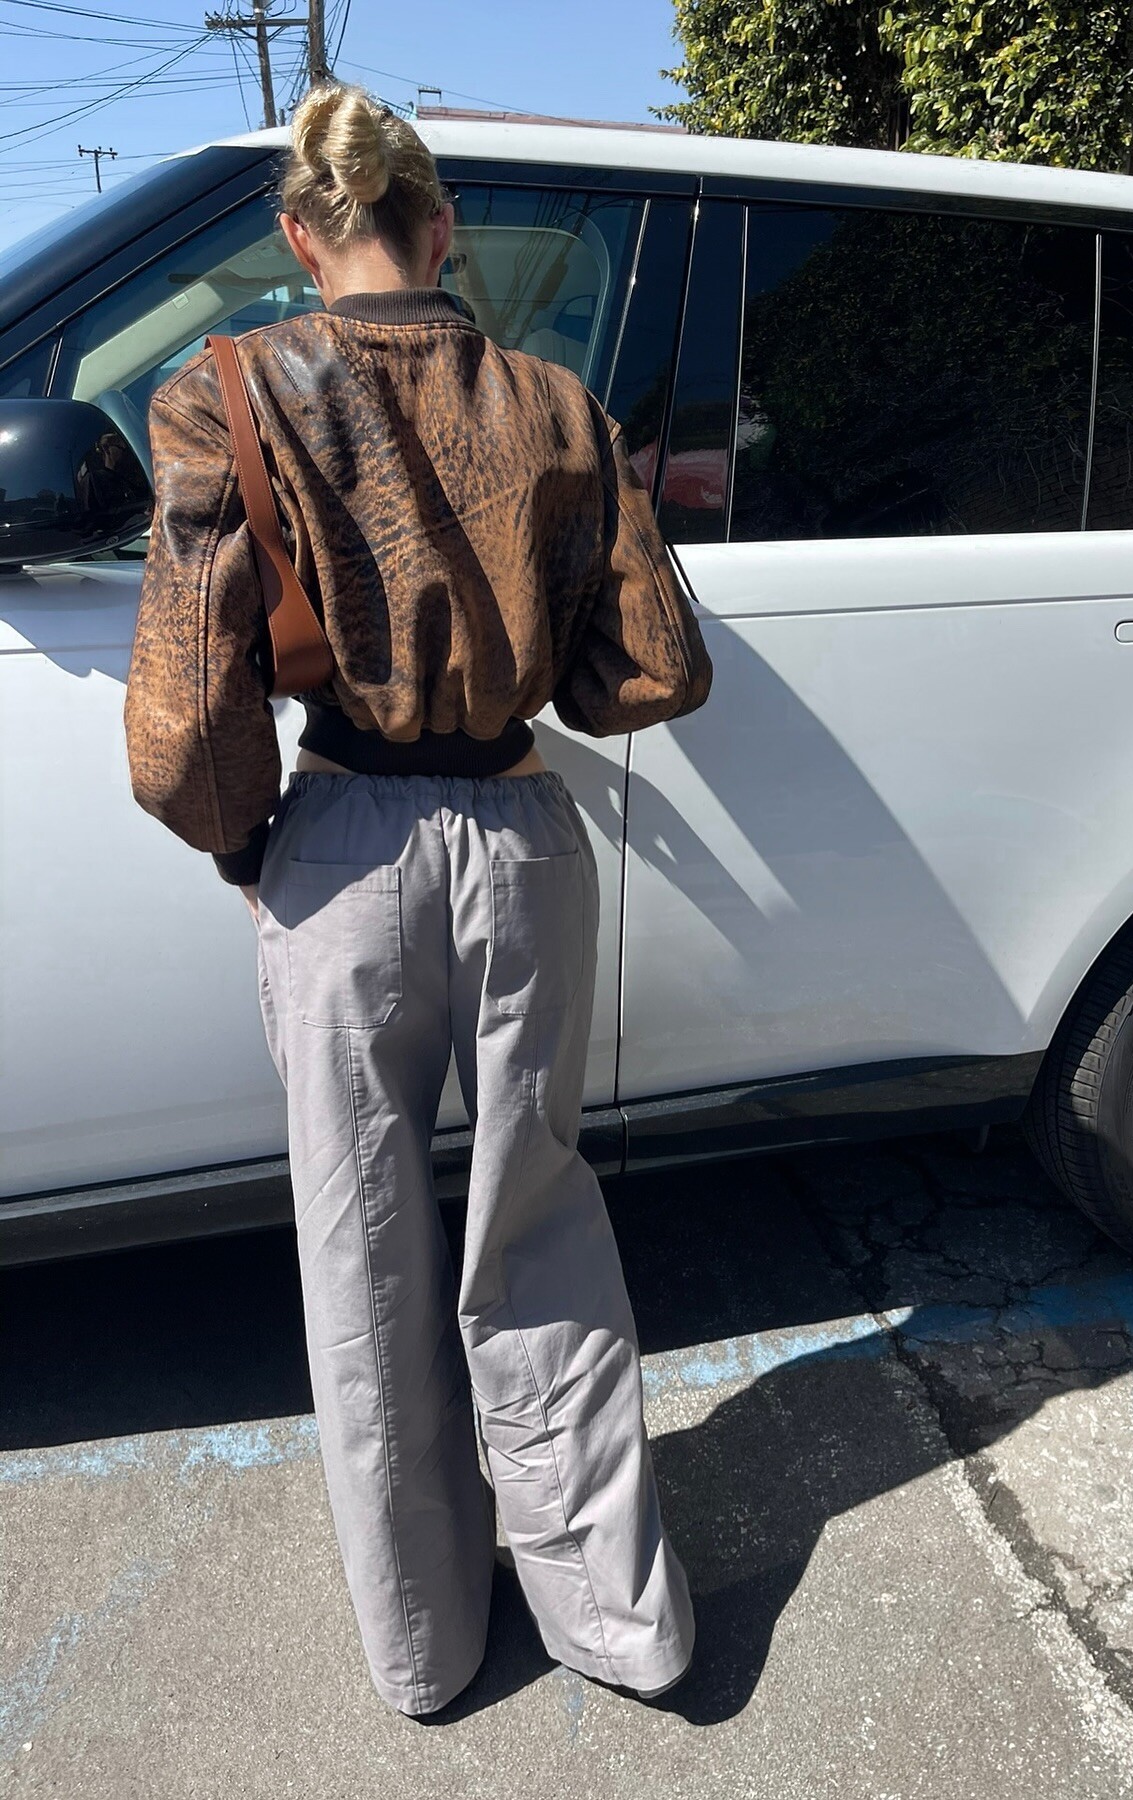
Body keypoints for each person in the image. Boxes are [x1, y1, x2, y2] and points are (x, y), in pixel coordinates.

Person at [122, 81, 712, 1718]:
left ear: (301, 236)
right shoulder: (556, 402)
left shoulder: (223, 394)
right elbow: (658, 668)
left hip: (345, 853)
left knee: (364, 1252)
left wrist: (250, 843)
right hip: (524, 843)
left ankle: (427, 1648)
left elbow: (187, 716)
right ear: (439, 225)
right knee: (540, 1223)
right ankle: (622, 1624)